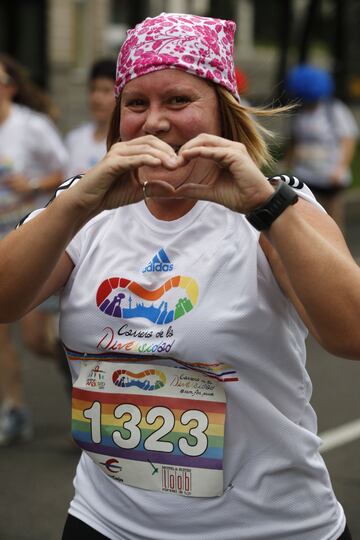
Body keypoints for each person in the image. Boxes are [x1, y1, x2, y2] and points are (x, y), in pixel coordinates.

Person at [0, 13, 359, 540]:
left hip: (271, 527)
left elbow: (351, 333)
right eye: (137, 103)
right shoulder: (88, 209)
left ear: (221, 111)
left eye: (178, 101)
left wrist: (265, 204)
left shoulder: (278, 203)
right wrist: (75, 204)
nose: (154, 121)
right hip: (106, 523)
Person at [0, 54, 68, 444]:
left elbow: (64, 172)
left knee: (34, 339)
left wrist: (34, 185)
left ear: (9, 86)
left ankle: (76, 363)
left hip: (25, 227)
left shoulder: (32, 126)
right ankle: (13, 408)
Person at [284, 64, 359, 231]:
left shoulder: (334, 110)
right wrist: (288, 163)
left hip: (329, 174)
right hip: (305, 173)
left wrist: (341, 167)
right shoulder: (301, 112)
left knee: (333, 217)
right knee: (309, 216)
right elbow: (295, 141)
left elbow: (348, 139)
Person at [65, 58, 116, 177]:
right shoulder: (74, 139)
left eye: (106, 90)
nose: (97, 98)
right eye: (93, 89)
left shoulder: (125, 143)